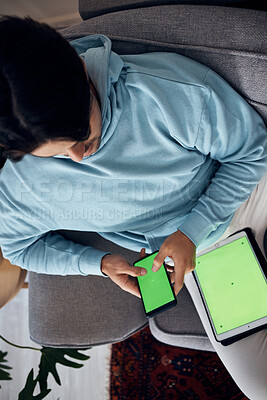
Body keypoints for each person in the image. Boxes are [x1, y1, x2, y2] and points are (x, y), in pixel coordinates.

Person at [0, 15, 266, 399]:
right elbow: (18, 249)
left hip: (245, 193)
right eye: (56, 154)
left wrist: (191, 229)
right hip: (202, 256)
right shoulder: (19, 185)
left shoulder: (168, 93)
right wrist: (100, 264)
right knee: (259, 385)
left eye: (82, 135)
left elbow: (251, 152)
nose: (78, 157)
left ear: (78, 68)